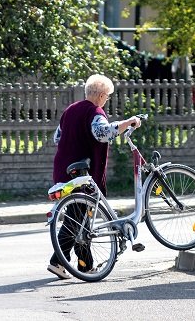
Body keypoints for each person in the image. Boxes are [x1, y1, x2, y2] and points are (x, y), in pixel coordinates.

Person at [47, 74, 142, 279]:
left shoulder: (70, 110)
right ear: (100, 95)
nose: (106, 100)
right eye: (107, 96)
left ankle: (85, 265)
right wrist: (128, 122)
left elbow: (57, 137)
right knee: (77, 220)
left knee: (80, 220)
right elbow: (103, 133)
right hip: (81, 173)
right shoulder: (95, 112)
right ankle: (57, 262)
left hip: (62, 169)